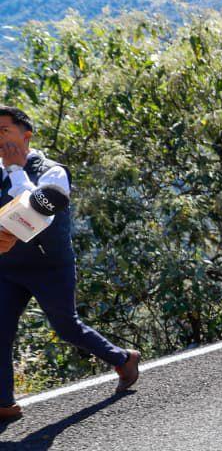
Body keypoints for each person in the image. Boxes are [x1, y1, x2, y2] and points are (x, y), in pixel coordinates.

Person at [0, 106, 140, 421]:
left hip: (49, 266)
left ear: (26, 135)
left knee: (66, 327)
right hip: (8, 268)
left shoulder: (52, 171)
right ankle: (3, 403)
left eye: (3, 130)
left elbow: (38, 216)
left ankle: (123, 359)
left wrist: (15, 170)